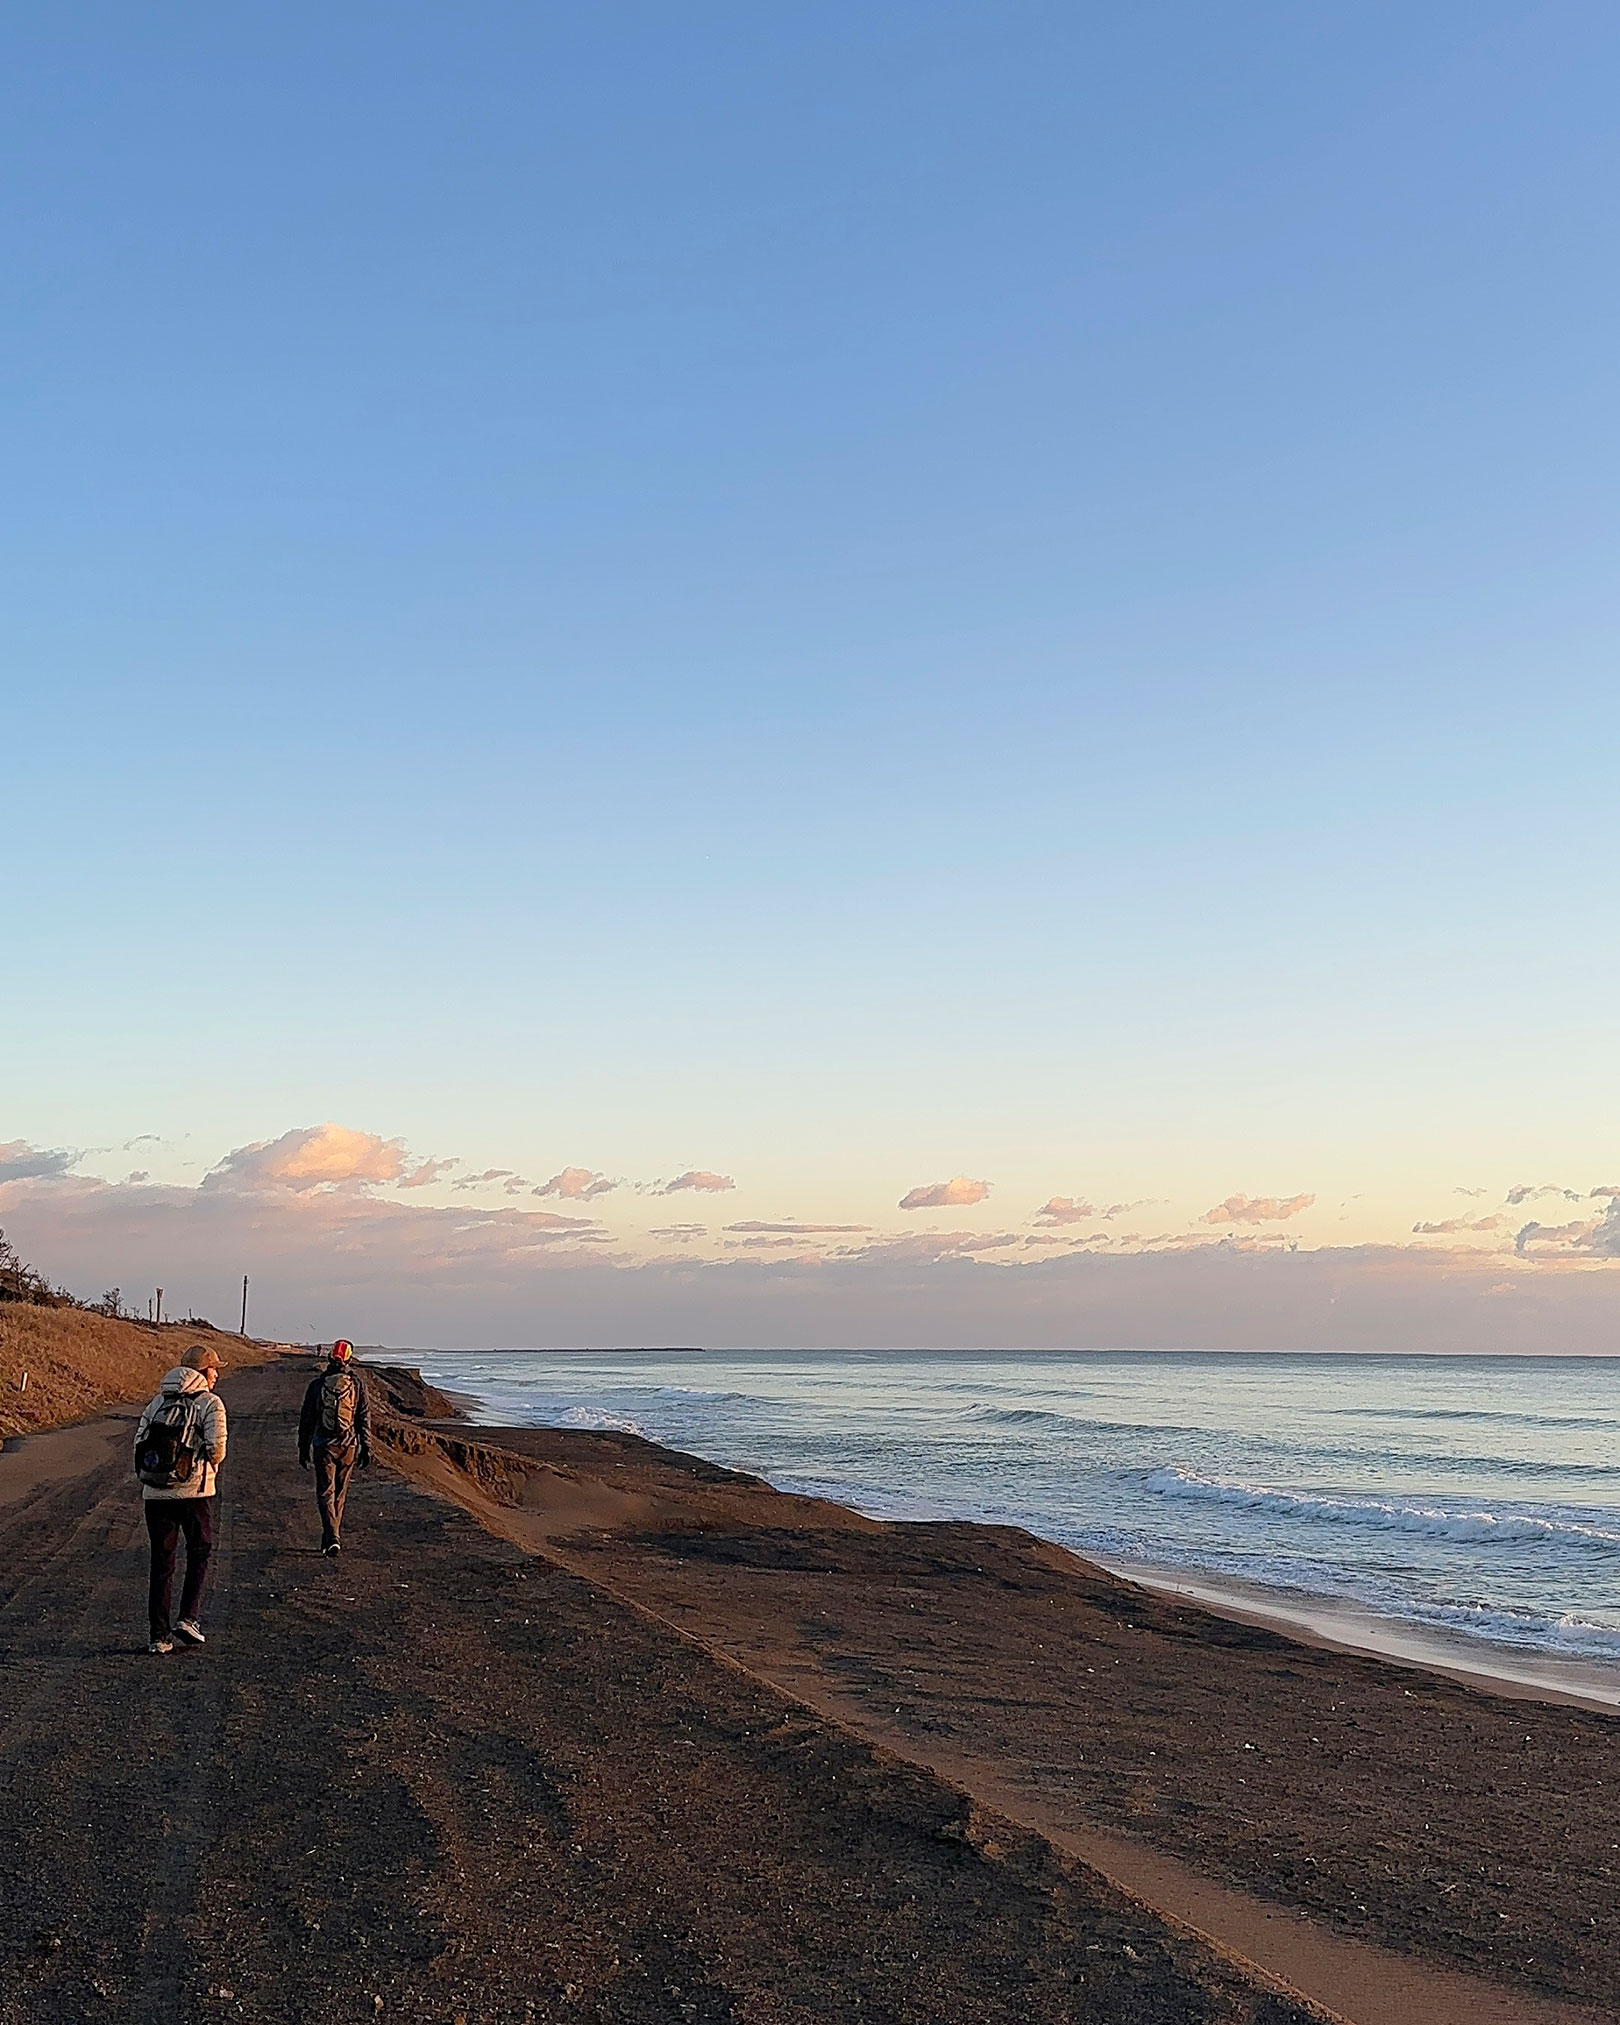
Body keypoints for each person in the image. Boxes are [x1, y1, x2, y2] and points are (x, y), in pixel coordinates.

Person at [133, 1343, 227, 1654]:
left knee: (162, 1563)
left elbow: (139, 1442)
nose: (216, 1375)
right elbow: (217, 1447)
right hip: (194, 1493)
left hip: (156, 1493)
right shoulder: (210, 1403)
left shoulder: (157, 1402)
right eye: (214, 1369)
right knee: (200, 1551)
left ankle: (158, 1637)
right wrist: (207, 1468)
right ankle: (189, 1618)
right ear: (204, 1370)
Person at [298, 1339, 372, 1555]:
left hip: (323, 1445)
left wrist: (303, 1448)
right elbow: (363, 1417)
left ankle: (331, 1536)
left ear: (330, 1357)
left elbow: (307, 1419)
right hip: (348, 1445)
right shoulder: (357, 1384)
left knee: (325, 1492)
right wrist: (366, 1445)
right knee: (339, 1493)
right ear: (349, 1358)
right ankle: (332, 1536)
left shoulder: (317, 1385)